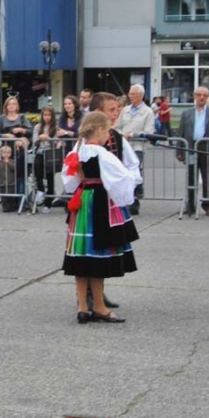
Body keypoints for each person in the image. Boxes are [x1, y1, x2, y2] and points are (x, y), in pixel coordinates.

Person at [62, 112, 139, 324]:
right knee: (98, 253)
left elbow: (68, 181)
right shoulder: (102, 153)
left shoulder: (77, 150)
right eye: (106, 130)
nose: (108, 135)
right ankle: (99, 306)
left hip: (82, 200)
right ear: (98, 130)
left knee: (81, 255)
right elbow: (121, 178)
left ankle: (82, 306)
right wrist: (131, 186)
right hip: (99, 203)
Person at [115, 85, 155, 215]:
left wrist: (131, 134)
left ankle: (134, 201)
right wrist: (121, 134)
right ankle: (124, 199)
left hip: (137, 146)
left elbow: (149, 132)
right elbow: (117, 126)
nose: (129, 96)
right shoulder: (125, 110)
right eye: (130, 93)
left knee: (134, 172)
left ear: (140, 96)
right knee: (122, 172)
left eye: (133, 94)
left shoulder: (148, 112)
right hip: (123, 145)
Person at [177, 86, 209, 216]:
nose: (201, 97)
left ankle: (208, 205)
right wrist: (179, 151)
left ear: (207, 97)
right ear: (194, 96)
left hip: (206, 147)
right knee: (191, 177)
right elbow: (181, 132)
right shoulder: (187, 113)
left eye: (204, 95)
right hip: (190, 147)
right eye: (199, 95)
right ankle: (191, 205)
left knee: (208, 177)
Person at [0, 95, 32, 200]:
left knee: (20, 175)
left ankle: (21, 199)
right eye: (9, 104)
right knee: (7, 175)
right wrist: (5, 135)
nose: (11, 106)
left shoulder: (22, 118)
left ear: (17, 106)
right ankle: (8, 199)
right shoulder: (2, 119)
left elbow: (30, 131)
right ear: (6, 106)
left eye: (14, 104)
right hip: (6, 150)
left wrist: (21, 130)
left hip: (20, 150)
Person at [32, 106, 63, 213]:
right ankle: (40, 189)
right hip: (41, 152)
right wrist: (40, 138)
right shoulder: (38, 127)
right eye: (45, 115)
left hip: (51, 154)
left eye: (49, 115)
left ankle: (48, 203)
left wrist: (48, 138)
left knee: (50, 177)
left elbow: (57, 141)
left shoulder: (55, 128)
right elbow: (35, 140)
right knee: (37, 167)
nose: (47, 117)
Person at [0, 145, 17, 212]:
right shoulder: (0, 162)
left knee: (11, 196)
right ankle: (5, 207)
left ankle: (12, 206)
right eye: (4, 152)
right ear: (1, 153)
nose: (6, 154)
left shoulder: (12, 161)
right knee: (4, 196)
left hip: (11, 182)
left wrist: (8, 163)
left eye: (8, 152)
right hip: (2, 182)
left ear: (11, 153)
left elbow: (14, 169)